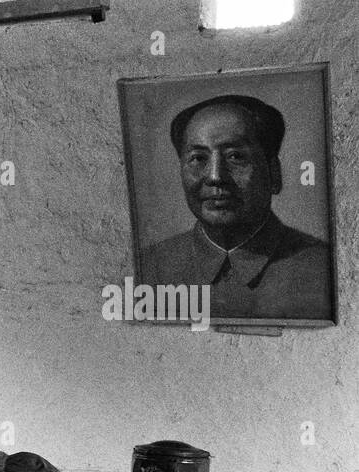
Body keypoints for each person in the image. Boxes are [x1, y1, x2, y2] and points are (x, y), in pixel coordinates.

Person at [139, 93, 332, 321]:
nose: (215, 176)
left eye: (235, 156)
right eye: (198, 159)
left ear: (274, 173)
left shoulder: (322, 269)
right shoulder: (150, 268)